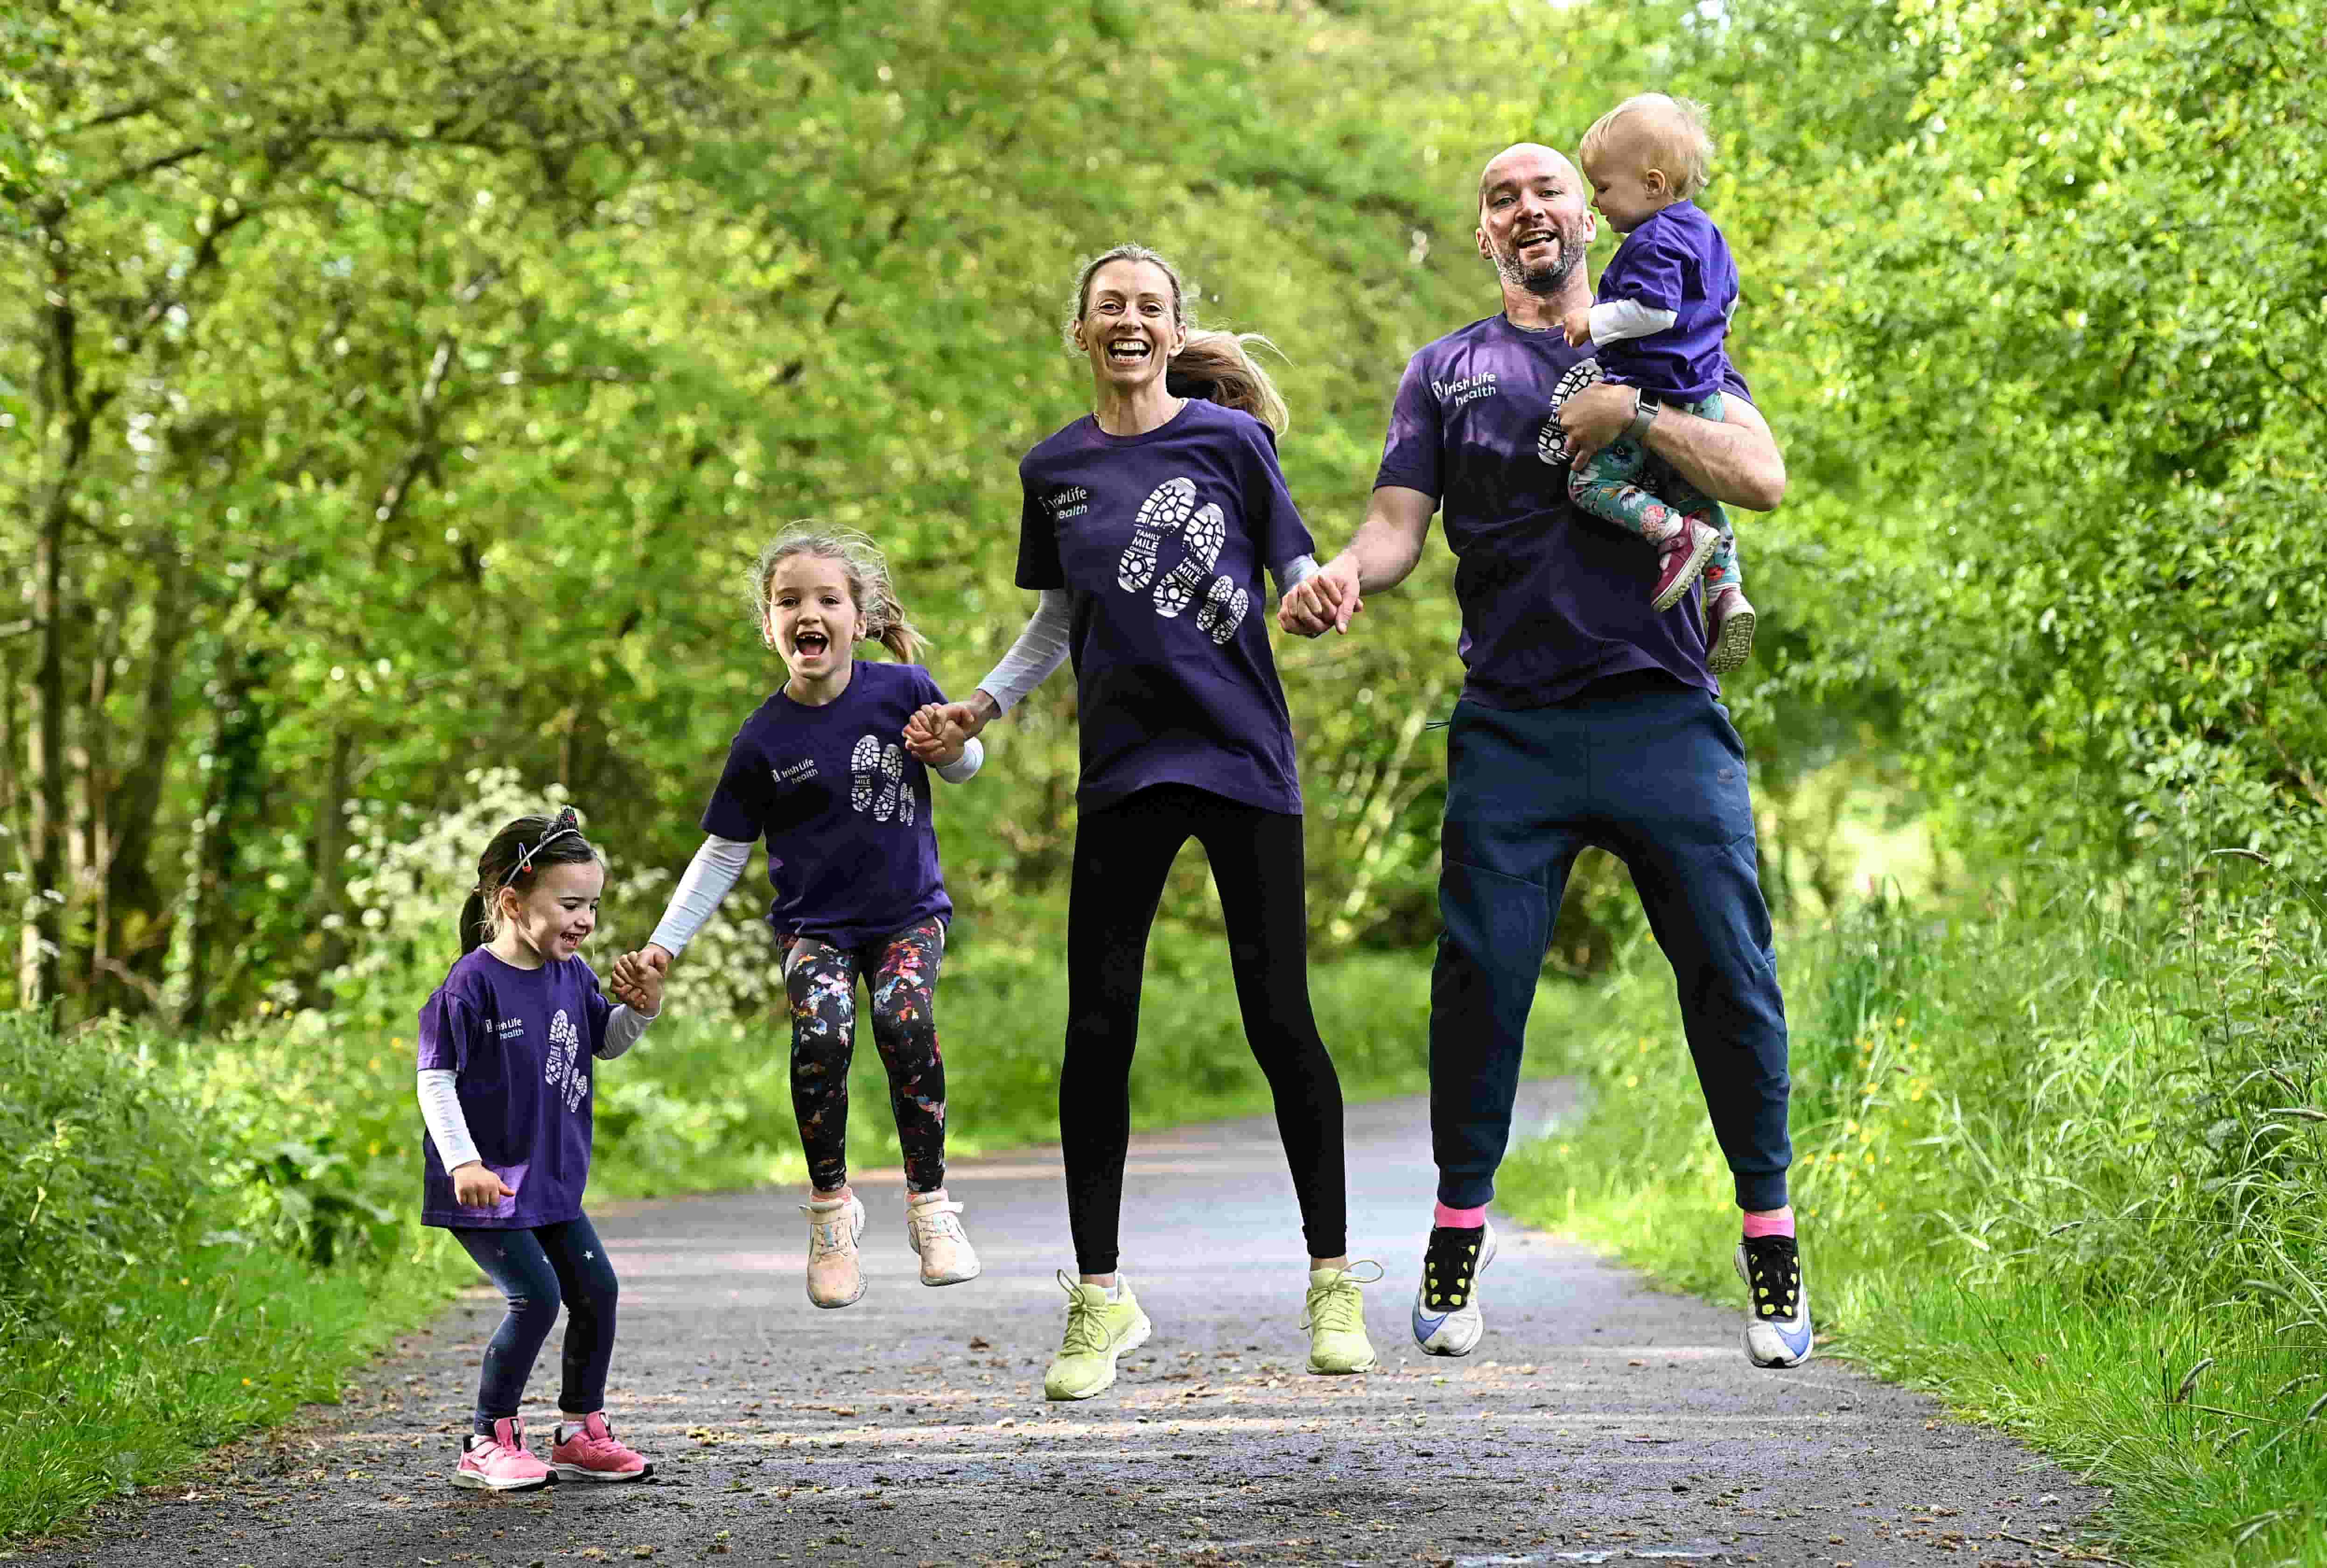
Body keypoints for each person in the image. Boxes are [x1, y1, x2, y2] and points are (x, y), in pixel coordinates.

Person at [1278, 143, 1811, 1371]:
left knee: (1731, 976)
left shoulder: (1662, 334)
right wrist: (1337, 580)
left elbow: (1762, 475)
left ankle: (1771, 1240)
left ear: (1590, 214)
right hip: (1511, 723)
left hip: (1664, 716)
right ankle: (1458, 1232)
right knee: (1478, 979)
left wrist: (1641, 414)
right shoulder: (1446, 371)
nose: (1528, 209)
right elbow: (1396, 527)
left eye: (1547, 190)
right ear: (1483, 235)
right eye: (1501, 197)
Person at [908, 243, 1377, 1400]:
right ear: (1082, 332)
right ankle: (1100, 1300)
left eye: (1149, 307)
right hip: (1122, 770)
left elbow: (1294, 561)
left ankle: (1331, 1281)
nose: (1129, 321)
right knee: (1097, 1033)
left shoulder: (1230, 443)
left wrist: (1315, 591)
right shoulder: (1053, 467)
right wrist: (984, 701)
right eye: (1109, 306)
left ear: (1175, 331)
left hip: (1242, 757)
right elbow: (1060, 620)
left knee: (1279, 1021)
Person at [616, 529, 984, 1310]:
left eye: (827, 599)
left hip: (907, 916)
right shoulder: (764, 738)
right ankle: (829, 1214)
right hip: (815, 927)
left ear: (859, 618)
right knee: (823, 1032)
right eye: (789, 601)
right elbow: (721, 854)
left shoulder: (902, 688)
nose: (807, 614)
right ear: (770, 624)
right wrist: (662, 947)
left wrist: (948, 748)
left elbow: (965, 764)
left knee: (904, 1017)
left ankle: (930, 1208)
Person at [419, 805, 663, 1492]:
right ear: (511, 902)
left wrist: (641, 1009)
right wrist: (462, 1161)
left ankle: (582, 1430)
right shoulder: (471, 983)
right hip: (487, 1184)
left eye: (593, 905)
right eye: (570, 904)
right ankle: (486, 1439)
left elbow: (603, 1044)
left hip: (552, 1181)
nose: (585, 920)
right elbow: (434, 1078)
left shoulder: (573, 975)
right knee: (536, 1297)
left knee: (597, 1291)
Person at [1560, 93, 1757, 673]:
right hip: (1701, 395)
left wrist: (1593, 321)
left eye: (1602, 187)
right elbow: (1726, 303)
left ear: (1651, 184)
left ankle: (1674, 537)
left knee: (1590, 484)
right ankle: (1727, 592)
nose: (1595, 200)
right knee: (1694, 490)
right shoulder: (1708, 236)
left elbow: (1655, 311)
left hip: (1655, 389)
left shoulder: (1655, 240)